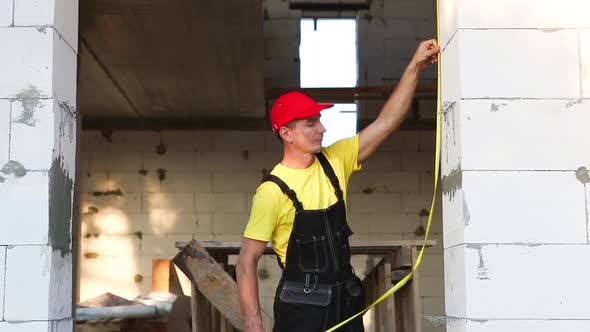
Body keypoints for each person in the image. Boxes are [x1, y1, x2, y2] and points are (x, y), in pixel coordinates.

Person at [236, 39, 440, 332]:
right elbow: (246, 262)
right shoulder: (272, 191)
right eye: (310, 123)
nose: (322, 129)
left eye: (318, 120)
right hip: (301, 310)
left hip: (346, 302)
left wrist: (415, 65)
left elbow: (387, 122)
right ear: (286, 133)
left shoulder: (334, 161)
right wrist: (254, 325)